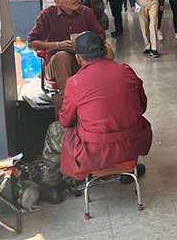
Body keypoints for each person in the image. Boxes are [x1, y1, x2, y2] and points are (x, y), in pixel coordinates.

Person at [41, 32, 152, 203]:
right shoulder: (126, 71)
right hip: (132, 145)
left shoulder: (75, 82)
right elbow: (141, 107)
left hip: (92, 153)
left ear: (78, 58)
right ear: (106, 50)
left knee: (54, 130)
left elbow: (65, 121)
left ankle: (51, 186)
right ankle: (127, 169)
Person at [27, 0, 109, 92]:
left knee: (107, 50)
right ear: (57, 2)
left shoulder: (86, 12)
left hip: (84, 60)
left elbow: (101, 36)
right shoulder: (48, 15)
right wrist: (58, 45)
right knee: (62, 56)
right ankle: (67, 98)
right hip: (56, 64)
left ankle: (103, 92)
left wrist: (85, 40)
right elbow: (31, 43)